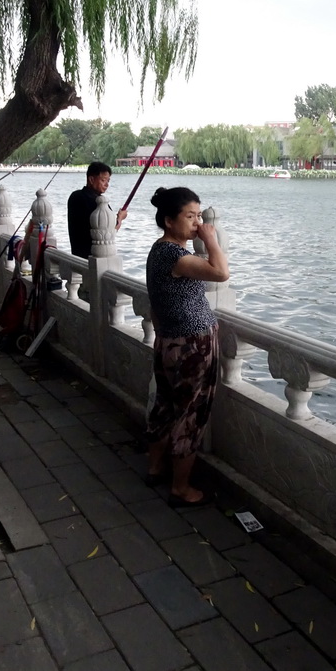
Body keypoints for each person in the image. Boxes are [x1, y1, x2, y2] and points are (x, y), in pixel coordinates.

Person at [146, 186, 229, 507]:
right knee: (191, 413)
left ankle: (155, 467)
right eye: (190, 216)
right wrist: (211, 239)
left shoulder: (159, 250)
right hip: (192, 344)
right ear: (169, 220)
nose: (197, 222)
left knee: (165, 406)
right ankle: (181, 488)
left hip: (169, 339)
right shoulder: (175, 255)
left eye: (199, 215)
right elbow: (221, 272)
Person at [67, 161, 128, 259]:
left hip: (77, 255)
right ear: (91, 179)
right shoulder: (99, 203)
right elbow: (111, 229)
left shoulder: (74, 196)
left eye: (108, 181)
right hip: (94, 257)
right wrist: (120, 218)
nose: (107, 184)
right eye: (103, 180)